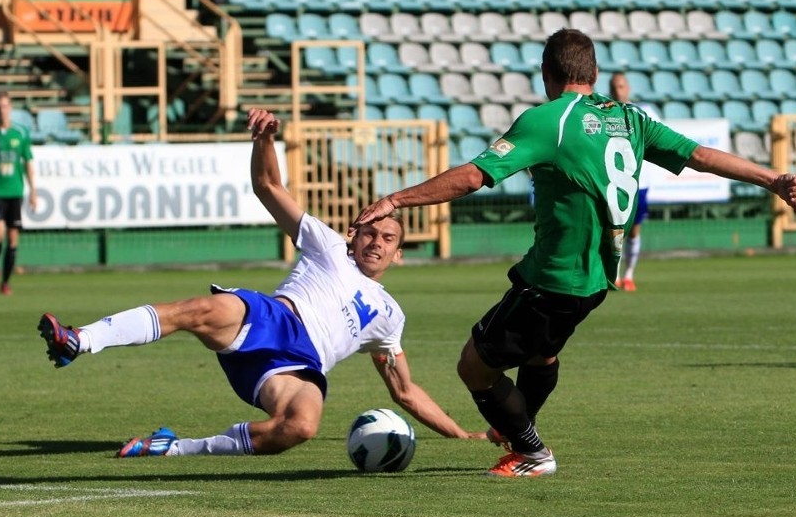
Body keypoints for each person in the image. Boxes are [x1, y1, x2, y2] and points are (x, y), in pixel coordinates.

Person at [350, 29, 796, 478]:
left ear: (547, 73)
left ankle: (531, 449)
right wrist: (771, 179)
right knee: (540, 357)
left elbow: (474, 176)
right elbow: (700, 156)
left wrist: (396, 200)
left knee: (474, 366)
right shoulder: (630, 119)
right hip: (595, 279)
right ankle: (518, 427)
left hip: (552, 277)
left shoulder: (550, 119)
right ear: (594, 73)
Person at [38, 108, 484, 459]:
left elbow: (404, 390)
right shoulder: (327, 245)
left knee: (301, 426)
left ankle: (173, 447)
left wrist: (462, 434)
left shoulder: (389, 316)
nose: (377, 243)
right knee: (203, 309)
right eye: (371, 232)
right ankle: (79, 340)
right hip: (269, 319)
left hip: (298, 366)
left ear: (399, 253)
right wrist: (265, 138)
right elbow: (268, 184)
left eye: (388, 239)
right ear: (356, 232)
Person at [608, 72, 659, 292]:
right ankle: (614, 275)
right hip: (614, 182)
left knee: (635, 230)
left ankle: (629, 274)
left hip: (640, 183)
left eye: (621, 86)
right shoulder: (606, 113)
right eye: (614, 87)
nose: (618, 91)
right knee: (614, 230)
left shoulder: (644, 114)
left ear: (627, 88)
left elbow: (658, 141)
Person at [0, 91, 37, 295]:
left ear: (10, 107)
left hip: (15, 191)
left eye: (5, 106)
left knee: (12, 238)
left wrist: (33, 190)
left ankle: (6, 282)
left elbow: (28, 162)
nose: (2, 110)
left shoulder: (21, 132)